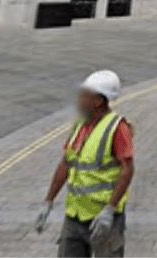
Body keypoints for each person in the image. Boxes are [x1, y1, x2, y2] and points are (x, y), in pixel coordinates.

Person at [35, 70, 134, 257]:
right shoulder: (79, 126)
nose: (79, 100)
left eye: (84, 96)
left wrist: (110, 210)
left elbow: (127, 170)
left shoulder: (118, 128)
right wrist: (48, 202)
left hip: (104, 217)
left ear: (98, 101)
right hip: (75, 215)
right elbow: (65, 164)